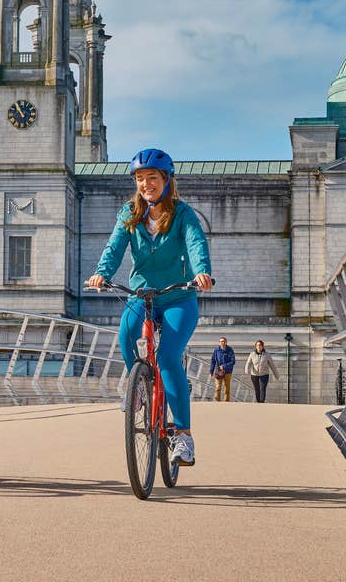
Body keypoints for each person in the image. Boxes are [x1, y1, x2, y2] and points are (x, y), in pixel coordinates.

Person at [86, 148, 213, 466]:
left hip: (178, 298)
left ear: (166, 180)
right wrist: (102, 273)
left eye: (152, 178)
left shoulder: (183, 214)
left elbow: (196, 242)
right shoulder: (129, 213)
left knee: (168, 357)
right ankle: (138, 385)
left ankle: (183, 437)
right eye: (140, 179)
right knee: (126, 335)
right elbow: (114, 246)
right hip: (140, 295)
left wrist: (201, 271)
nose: (146, 184)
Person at [210, 336, 236, 402]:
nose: (222, 342)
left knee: (227, 388)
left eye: (223, 341)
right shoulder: (216, 350)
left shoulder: (230, 350)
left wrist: (224, 366)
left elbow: (233, 361)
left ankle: (226, 402)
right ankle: (217, 401)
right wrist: (211, 371)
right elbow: (213, 361)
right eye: (221, 341)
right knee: (218, 387)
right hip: (218, 371)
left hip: (228, 371)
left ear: (226, 342)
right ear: (219, 343)